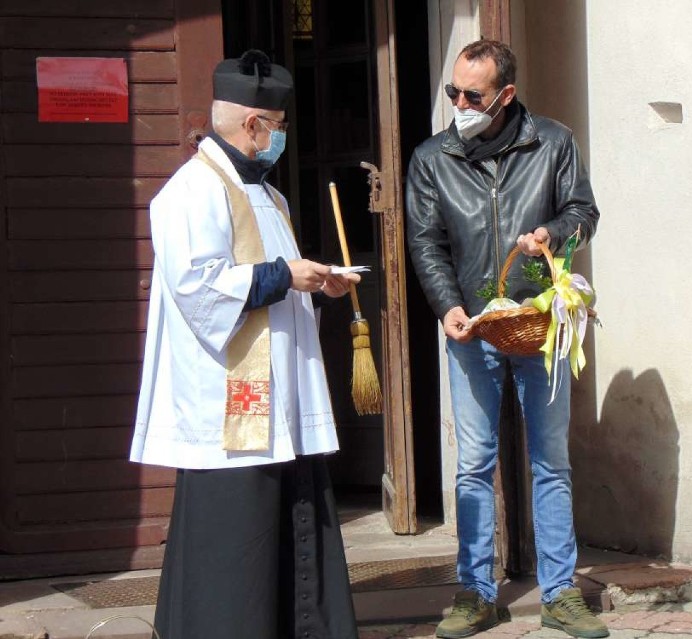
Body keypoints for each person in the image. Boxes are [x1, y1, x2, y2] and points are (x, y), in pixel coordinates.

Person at [130, 49, 359, 639]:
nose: (280, 139)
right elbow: (196, 286)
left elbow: (280, 273)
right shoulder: (192, 191)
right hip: (231, 393)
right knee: (235, 530)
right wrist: (286, 275)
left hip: (277, 388)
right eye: (278, 128)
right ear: (254, 124)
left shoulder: (270, 195)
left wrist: (319, 280)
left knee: (286, 509)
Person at [405, 40, 608, 639]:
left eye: (473, 95)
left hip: (540, 327)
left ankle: (561, 592)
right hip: (472, 331)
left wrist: (553, 231)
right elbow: (426, 241)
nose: (460, 104)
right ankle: (475, 592)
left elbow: (584, 211)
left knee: (550, 462)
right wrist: (447, 306)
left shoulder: (553, 142)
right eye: (453, 92)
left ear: (506, 96)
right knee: (472, 466)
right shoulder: (432, 157)